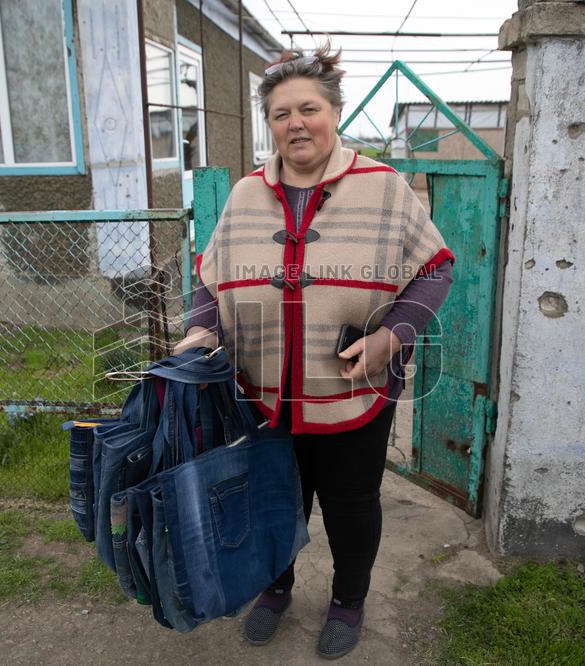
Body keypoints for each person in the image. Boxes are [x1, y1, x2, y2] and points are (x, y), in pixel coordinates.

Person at [173, 42, 455, 660]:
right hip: (262, 388)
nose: (296, 123)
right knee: (274, 499)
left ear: (333, 113)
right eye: (281, 114)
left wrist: (392, 336)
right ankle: (275, 587)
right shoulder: (247, 196)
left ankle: (349, 600)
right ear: (269, 124)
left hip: (354, 388)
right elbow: (211, 275)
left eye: (309, 109)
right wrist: (202, 330)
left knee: (352, 506)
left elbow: (435, 267)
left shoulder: (384, 187)